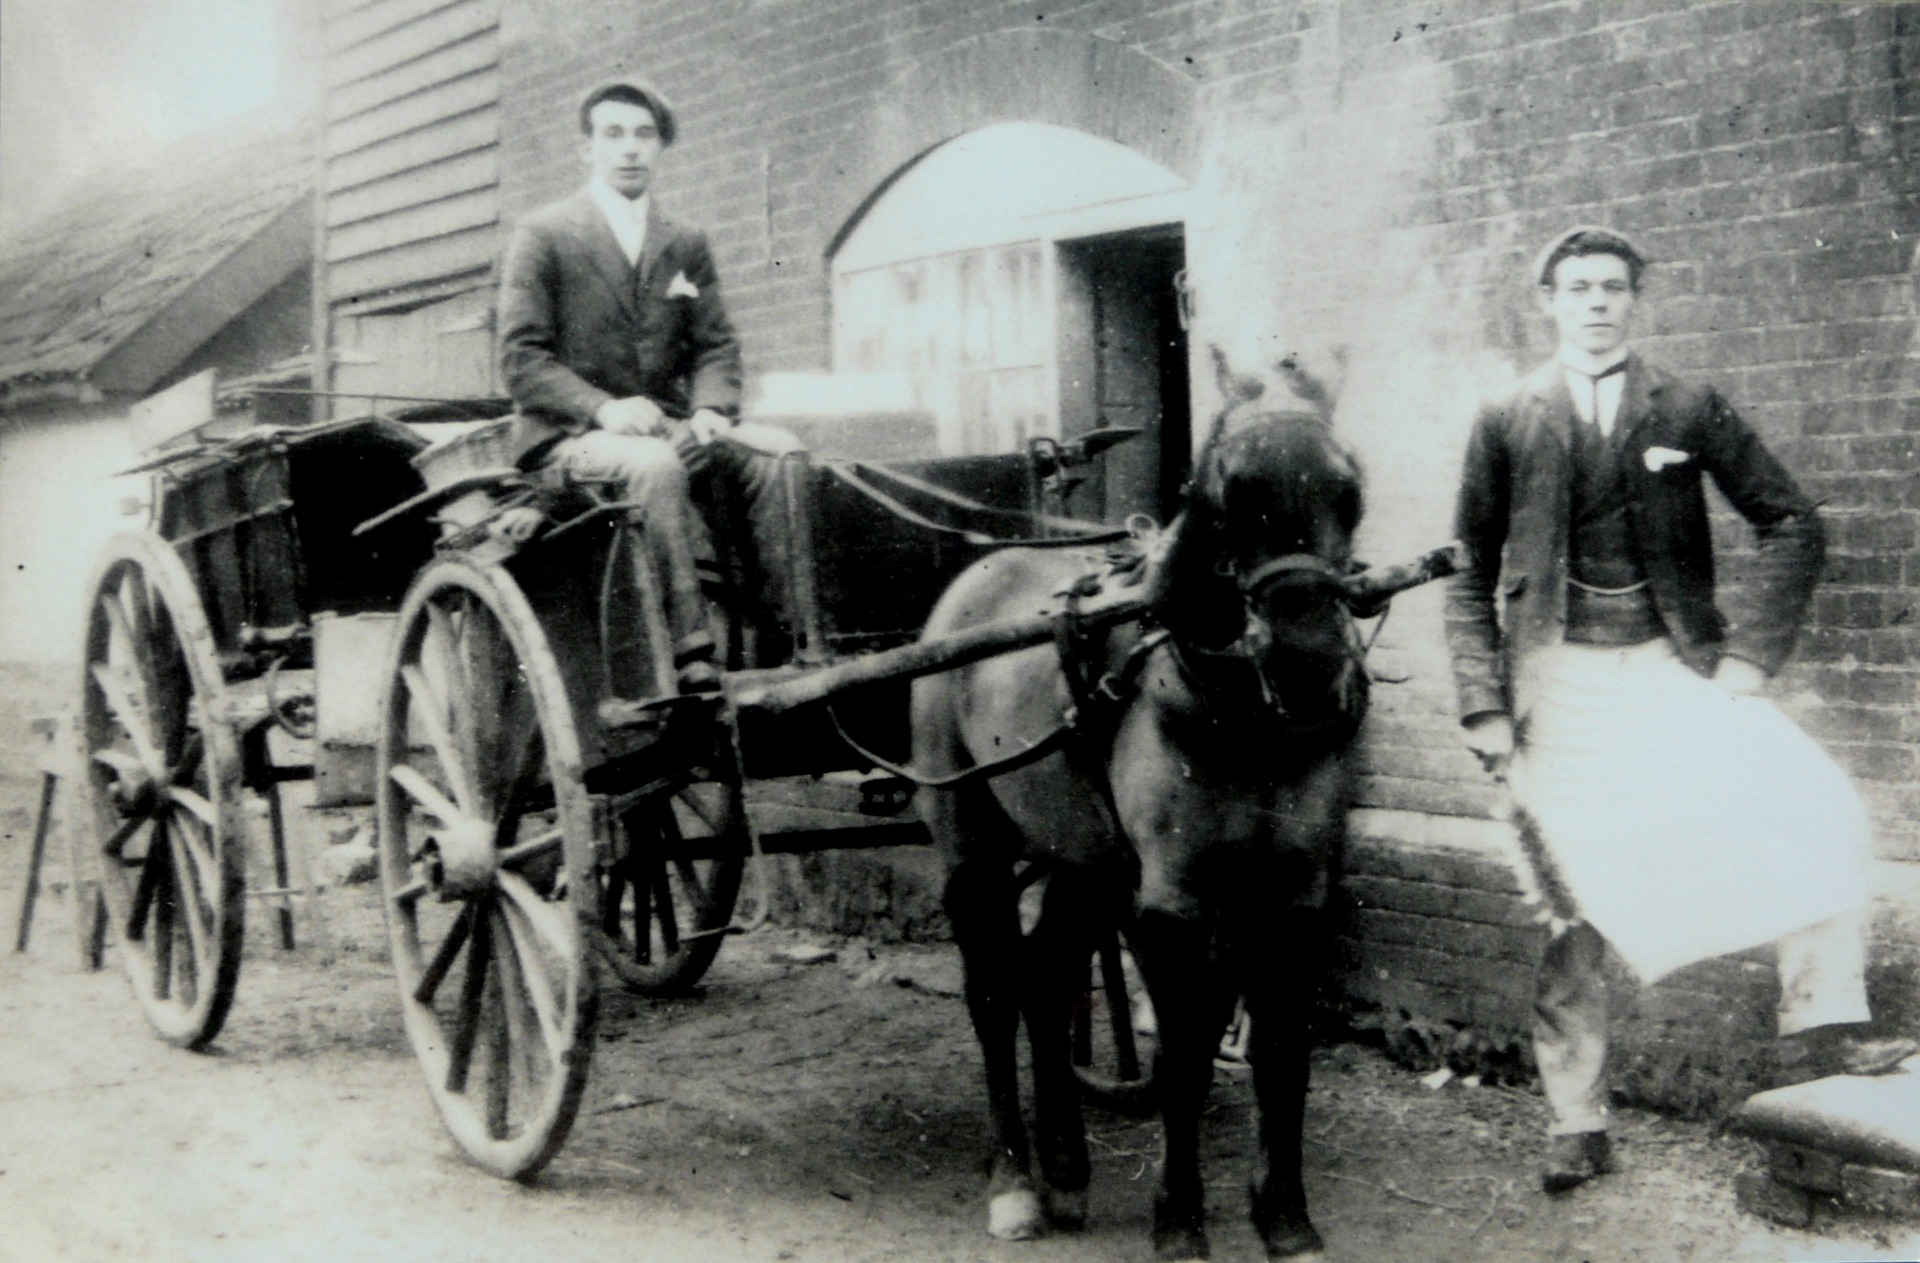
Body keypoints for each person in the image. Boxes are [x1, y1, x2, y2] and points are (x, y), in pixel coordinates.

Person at [1445, 225, 1916, 1194]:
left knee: (1819, 810)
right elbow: (1467, 574)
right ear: (1550, 302)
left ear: (1635, 298)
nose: (1596, 301)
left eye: (1613, 286)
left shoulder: (1687, 405)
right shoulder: (1506, 415)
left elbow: (1794, 522)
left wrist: (1746, 663)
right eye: (1577, 287)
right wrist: (1485, 707)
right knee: (1567, 905)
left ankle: (1821, 1047)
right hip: (1557, 688)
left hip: (1673, 673)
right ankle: (1577, 1120)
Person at [496, 77, 800, 692]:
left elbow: (715, 343)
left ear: (660, 147)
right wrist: (603, 410)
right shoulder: (544, 234)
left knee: (778, 455)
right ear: (587, 149)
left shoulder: (684, 242)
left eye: (644, 135)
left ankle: (786, 636)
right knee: (656, 467)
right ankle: (690, 650)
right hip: (569, 440)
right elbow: (521, 358)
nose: (629, 149)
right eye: (613, 135)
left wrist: (713, 406)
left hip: (669, 428)